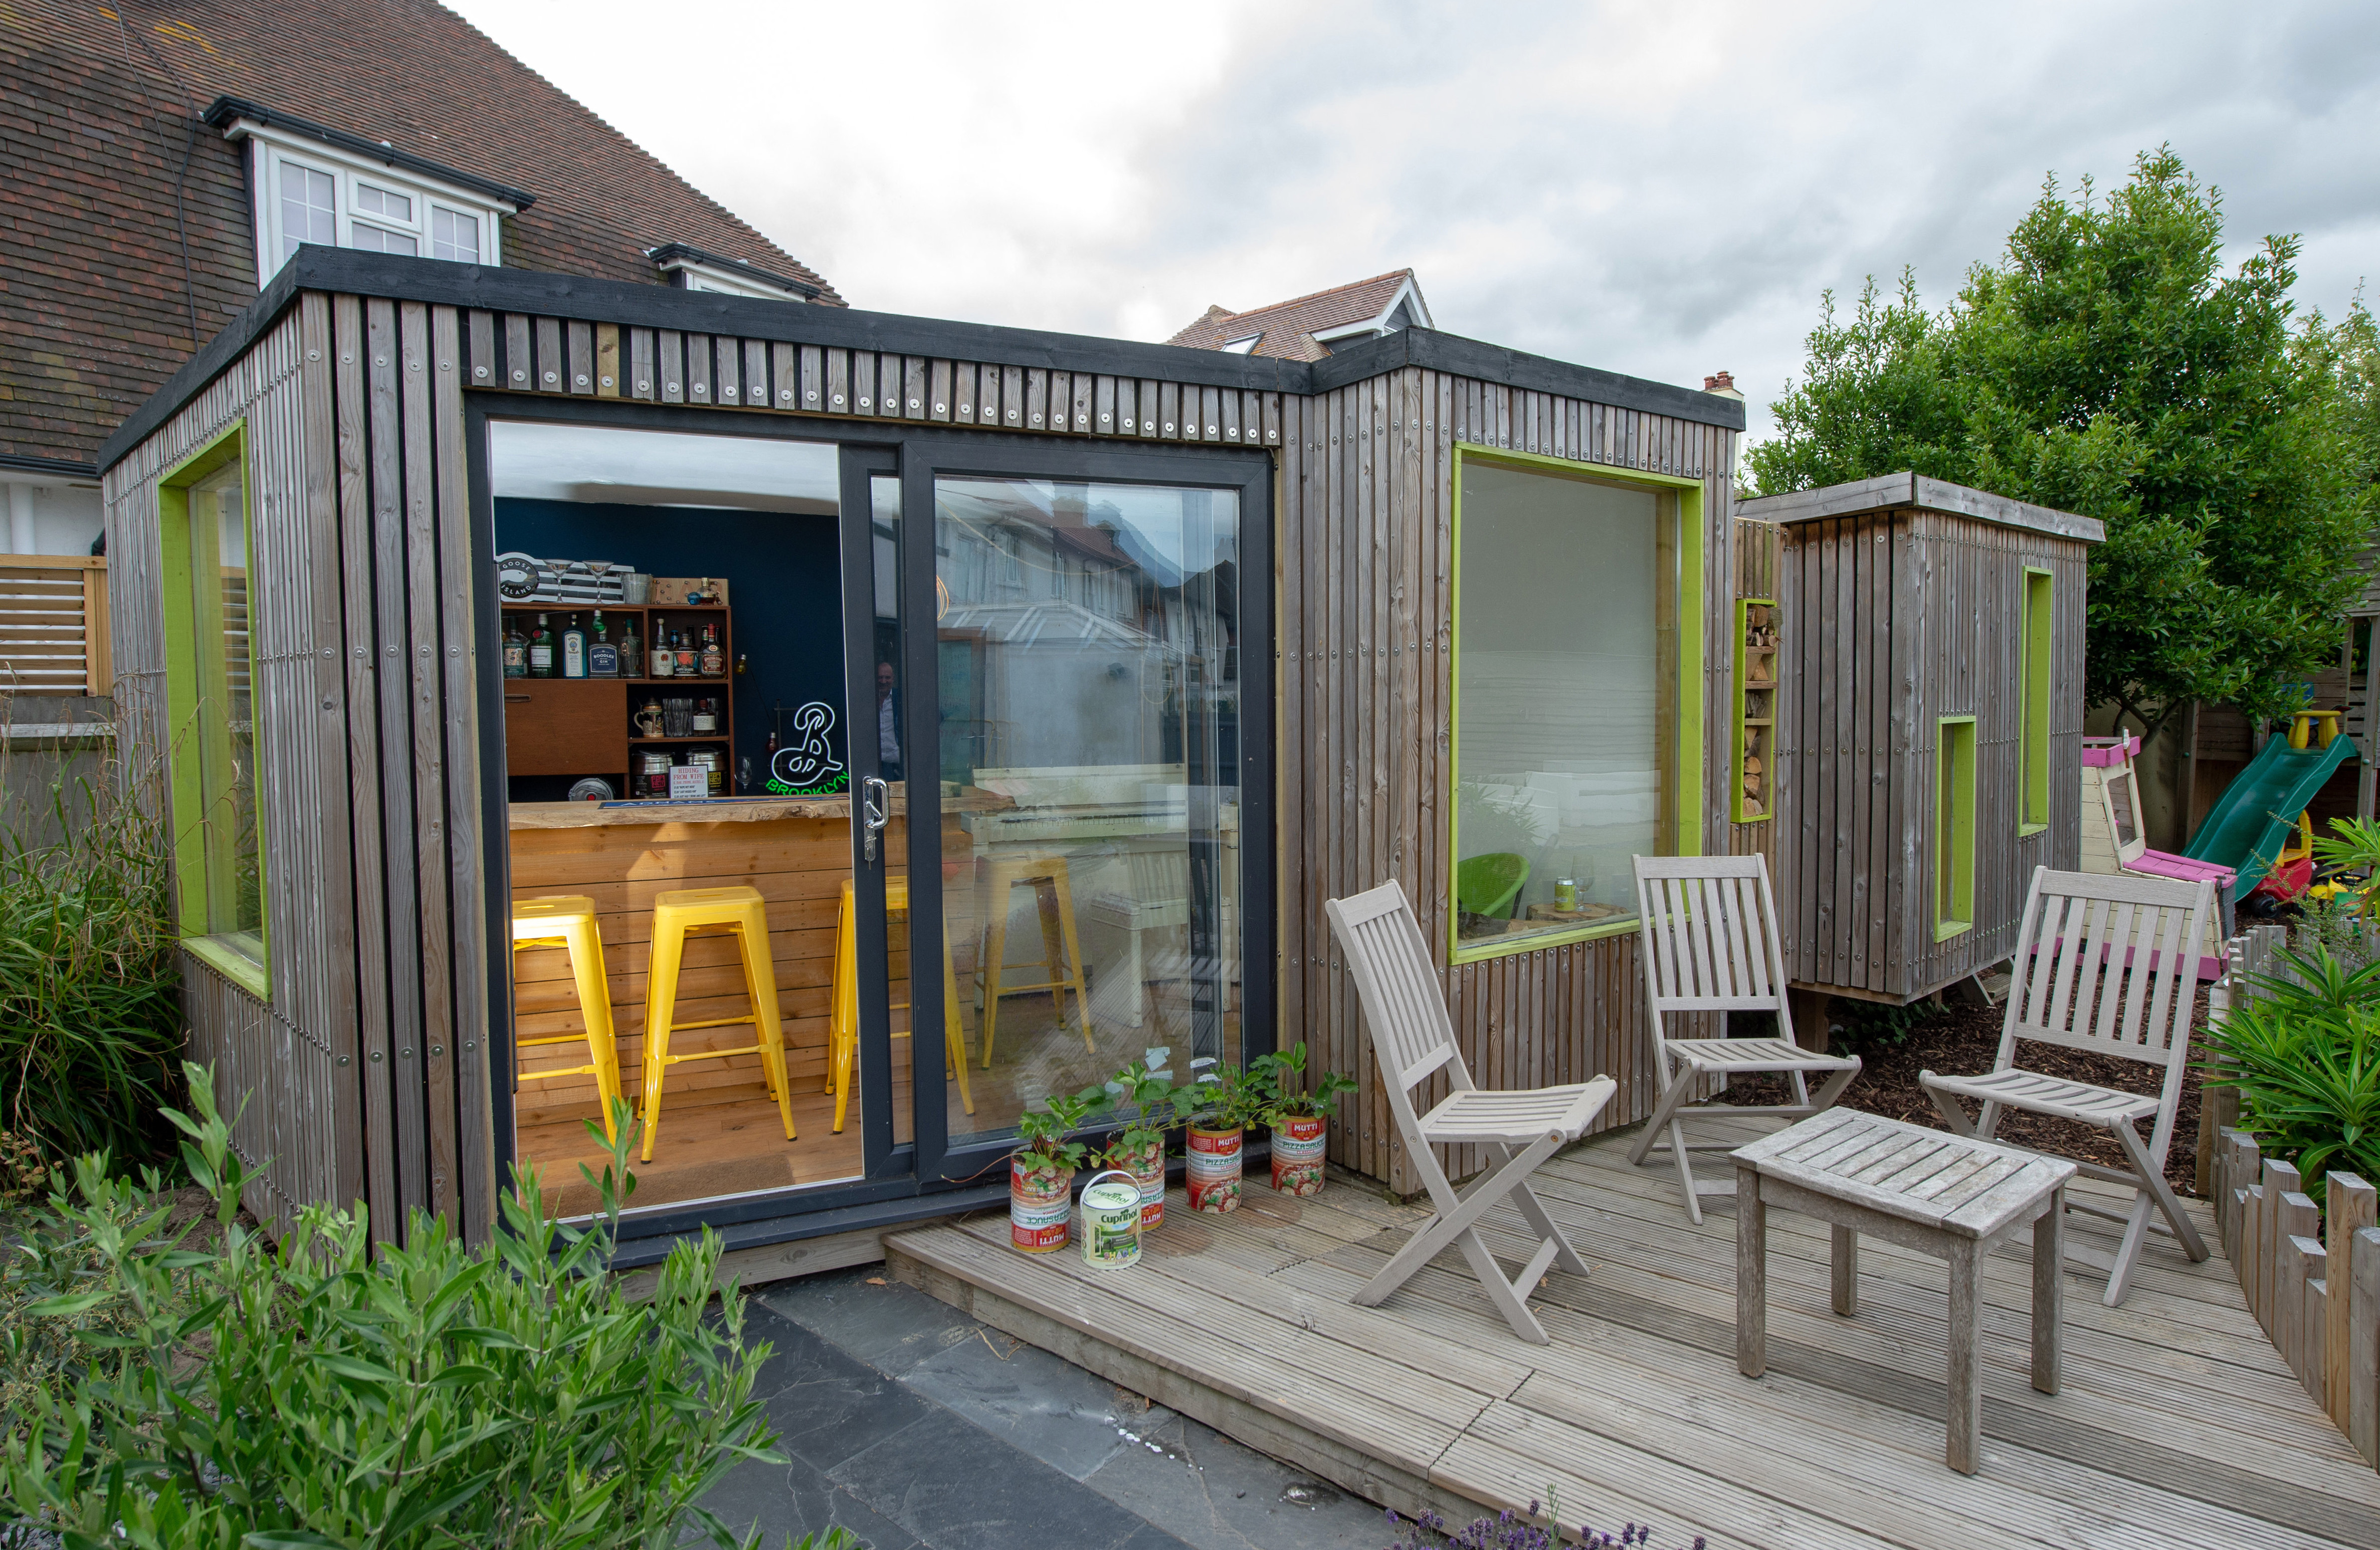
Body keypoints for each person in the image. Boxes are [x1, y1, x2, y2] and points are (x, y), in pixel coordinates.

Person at [876, 659, 902, 782]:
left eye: (887, 678)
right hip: (875, 763)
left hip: (898, 764)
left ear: (893, 679)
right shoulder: (867, 699)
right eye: (880, 677)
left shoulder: (901, 698)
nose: (884, 681)